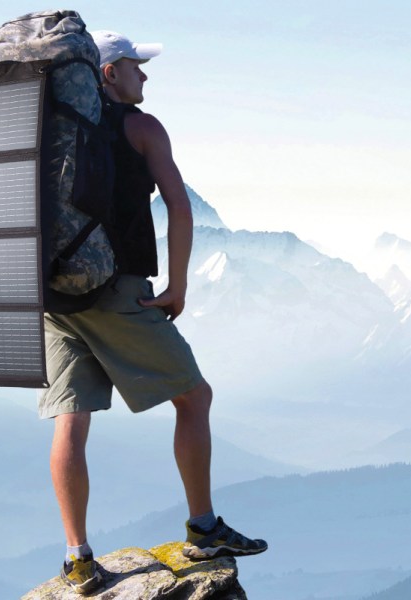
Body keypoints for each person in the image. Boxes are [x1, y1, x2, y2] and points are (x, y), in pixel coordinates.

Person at [39, 29, 268, 595]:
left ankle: (78, 558)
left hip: (52, 292)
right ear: (108, 74)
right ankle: (205, 527)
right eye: (135, 66)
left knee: (72, 417)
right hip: (117, 290)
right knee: (195, 396)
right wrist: (178, 284)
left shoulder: (51, 130)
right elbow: (180, 207)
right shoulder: (140, 127)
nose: (145, 75)